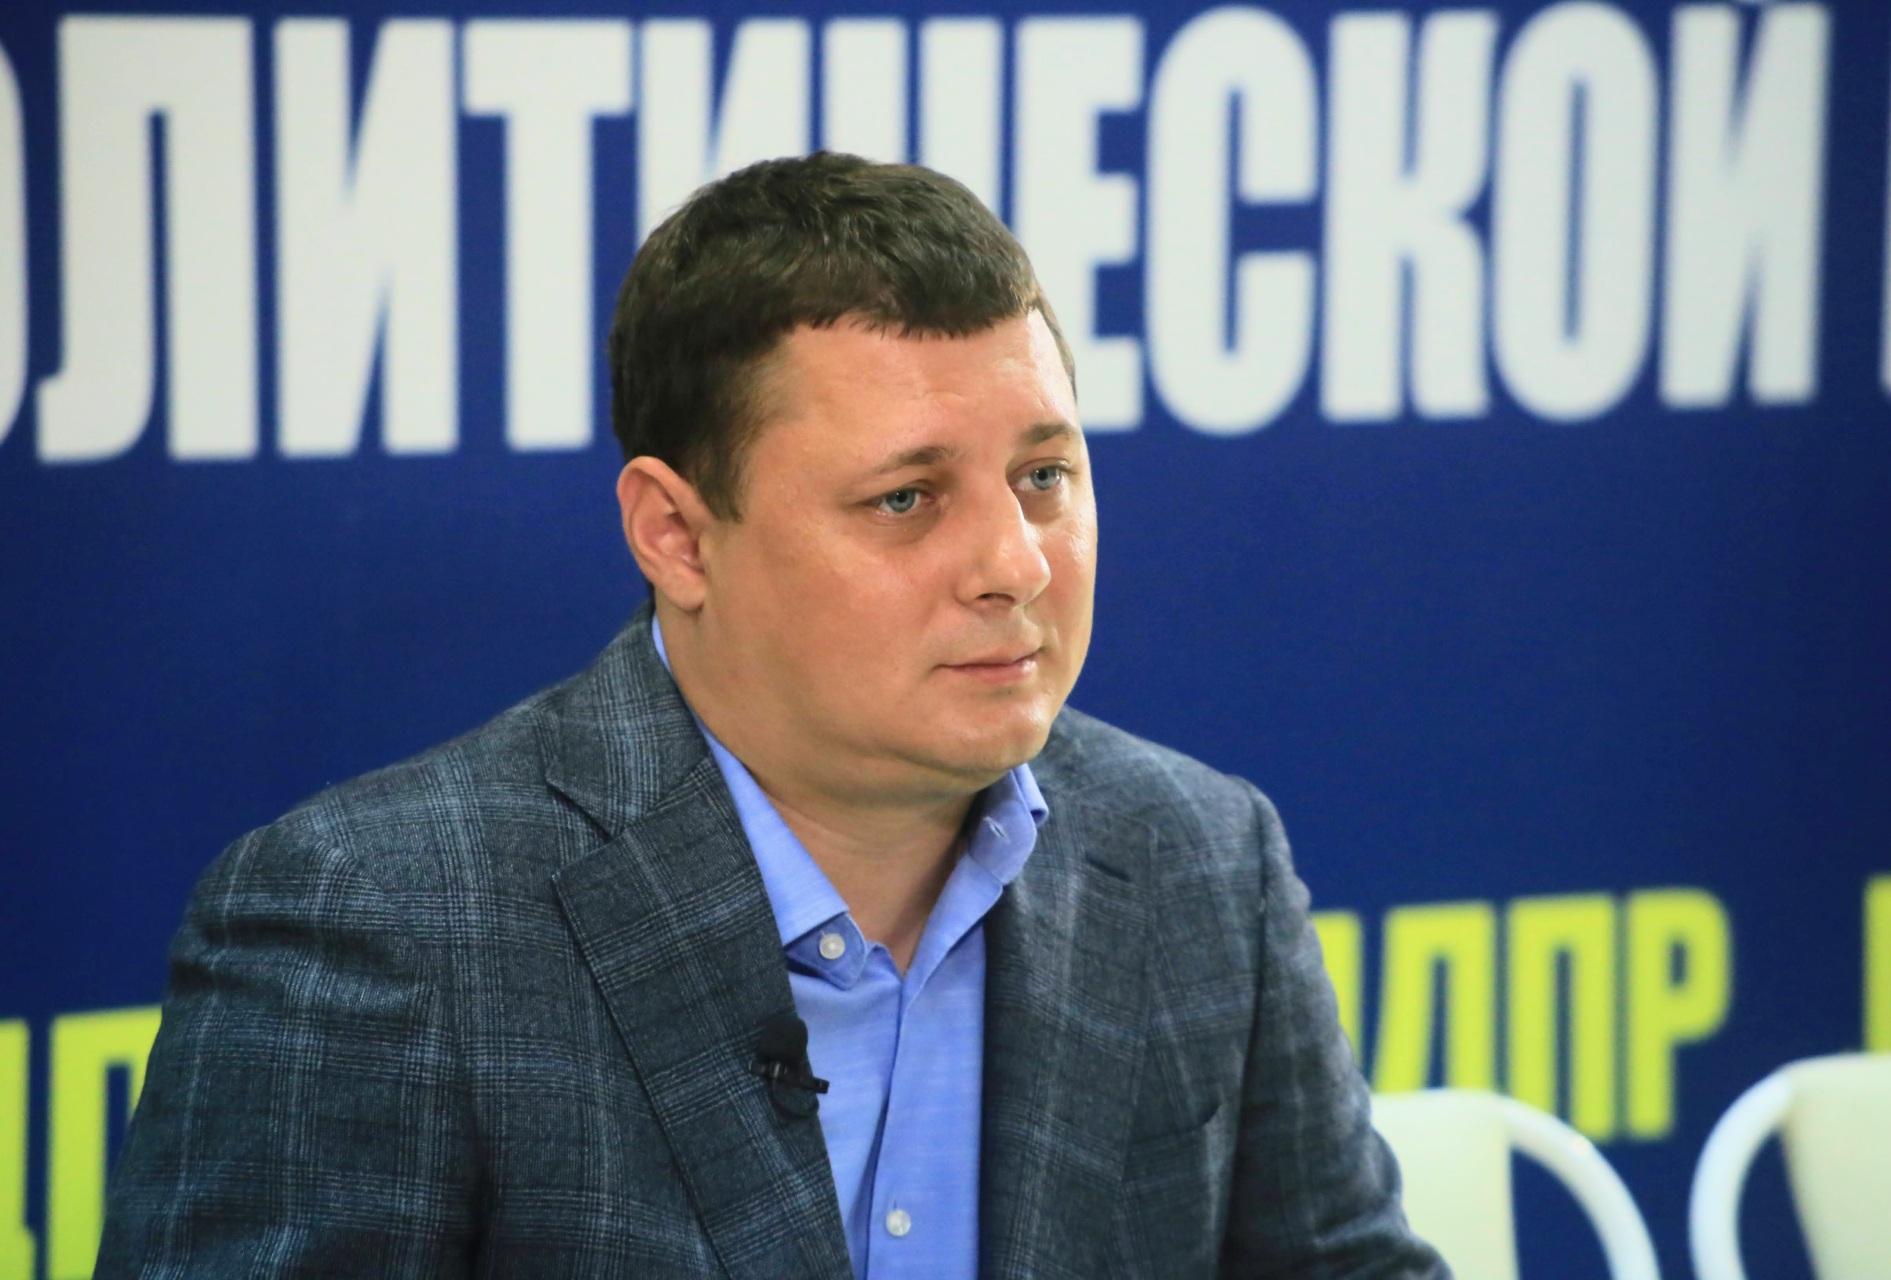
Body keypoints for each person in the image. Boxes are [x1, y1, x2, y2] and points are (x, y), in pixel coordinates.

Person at [98, 153, 1446, 1278]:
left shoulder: (1199, 855)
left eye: (1045, 476)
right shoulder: (380, 926)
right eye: (906, 498)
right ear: (677, 537)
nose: (1016, 565)